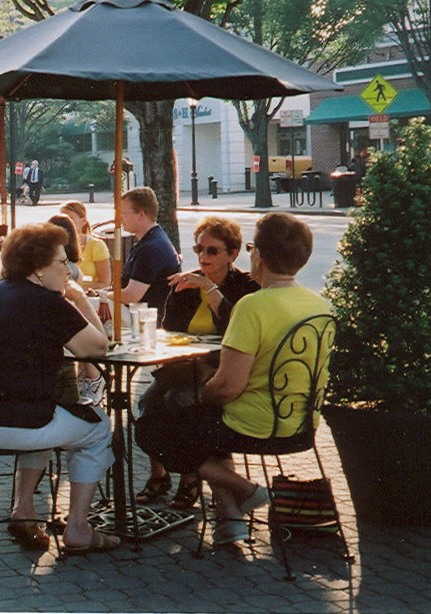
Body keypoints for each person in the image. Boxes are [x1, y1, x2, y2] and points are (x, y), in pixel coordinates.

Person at [136, 212, 325, 545]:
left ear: (258, 257)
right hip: (301, 423)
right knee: (195, 416)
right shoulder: (319, 305)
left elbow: (226, 388)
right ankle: (230, 518)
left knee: (156, 428)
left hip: (252, 424)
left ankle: (250, 491)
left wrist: (195, 395)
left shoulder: (251, 306)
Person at [0, 222, 118, 554]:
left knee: (51, 416)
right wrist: (77, 297)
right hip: (17, 425)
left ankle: (24, 510)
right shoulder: (48, 302)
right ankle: (78, 528)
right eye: (62, 263)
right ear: (36, 269)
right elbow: (98, 347)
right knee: (99, 428)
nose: (70, 271)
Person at [134, 216, 260, 510]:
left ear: (232, 254)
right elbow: (171, 332)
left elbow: (237, 329)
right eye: (199, 249)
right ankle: (159, 475)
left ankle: (189, 478)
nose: (203, 257)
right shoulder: (184, 284)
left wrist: (210, 289)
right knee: (149, 402)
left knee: (178, 401)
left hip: (222, 371)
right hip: (185, 367)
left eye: (212, 251)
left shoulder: (245, 286)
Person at [119, 186, 180, 310]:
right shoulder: (151, 239)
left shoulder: (151, 248)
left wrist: (102, 296)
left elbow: (131, 295)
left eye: (123, 213)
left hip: (149, 319)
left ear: (141, 214)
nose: (120, 219)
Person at [60, 201, 111, 289]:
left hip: (89, 295)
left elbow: (105, 282)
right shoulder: (55, 246)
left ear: (83, 221)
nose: (66, 224)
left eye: (71, 219)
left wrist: (78, 291)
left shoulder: (96, 246)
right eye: (63, 220)